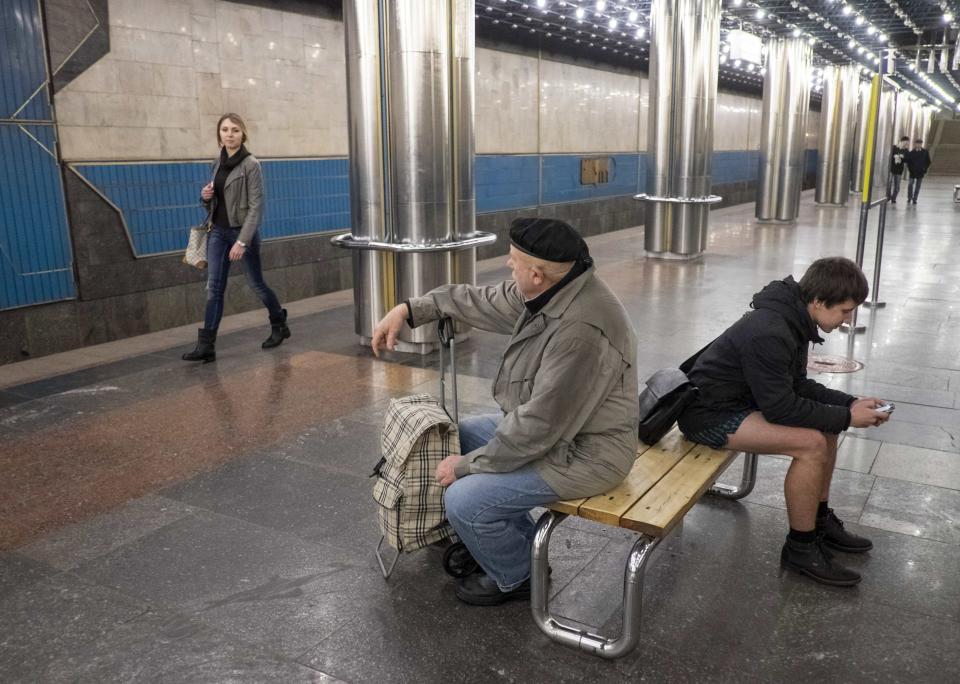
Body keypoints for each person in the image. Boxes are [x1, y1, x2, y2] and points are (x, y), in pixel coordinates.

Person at [371, 218, 639, 606]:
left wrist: (466, 466)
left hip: (589, 453)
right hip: (561, 433)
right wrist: (410, 310)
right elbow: (482, 300)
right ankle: (522, 546)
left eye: (513, 261)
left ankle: (520, 575)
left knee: (464, 499)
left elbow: (539, 427)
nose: (507, 265)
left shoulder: (581, 330)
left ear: (536, 273)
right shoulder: (554, 288)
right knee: (461, 433)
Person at [677, 257, 891, 587]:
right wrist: (849, 416)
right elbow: (781, 408)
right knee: (811, 445)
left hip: (743, 403)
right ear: (819, 302)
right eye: (845, 310)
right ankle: (800, 548)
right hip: (709, 415)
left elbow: (797, 386)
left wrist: (849, 404)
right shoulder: (771, 329)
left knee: (827, 427)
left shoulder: (795, 317)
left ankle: (819, 520)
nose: (849, 319)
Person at [182, 113, 290, 363]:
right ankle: (206, 345)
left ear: (243, 134)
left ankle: (279, 323)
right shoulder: (217, 162)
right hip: (217, 232)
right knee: (214, 288)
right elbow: (214, 203)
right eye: (225, 130)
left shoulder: (251, 164)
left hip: (242, 232)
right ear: (219, 134)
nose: (229, 134)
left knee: (256, 284)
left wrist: (242, 241)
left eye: (235, 130)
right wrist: (205, 197)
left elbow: (256, 206)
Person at [904, 137, 932, 205]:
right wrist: (910, 169)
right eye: (917, 144)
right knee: (910, 184)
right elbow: (908, 161)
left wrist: (924, 169)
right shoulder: (911, 152)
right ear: (915, 144)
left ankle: (915, 199)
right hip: (912, 172)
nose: (918, 145)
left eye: (920, 144)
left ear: (921, 144)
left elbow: (928, 161)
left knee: (918, 186)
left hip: (920, 171)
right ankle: (909, 197)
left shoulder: (925, 152)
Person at [888, 136, 909, 204]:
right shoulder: (894, 147)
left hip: (899, 170)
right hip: (891, 169)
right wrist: (895, 156)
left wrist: (902, 158)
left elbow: (907, 160)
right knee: (889, 183)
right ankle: (888, 196)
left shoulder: (906, 150)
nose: (907, 144)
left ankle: (893, 198)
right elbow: (889, 155)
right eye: (906, 142)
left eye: (907, 143)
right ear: (902, 141)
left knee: (897, 186)